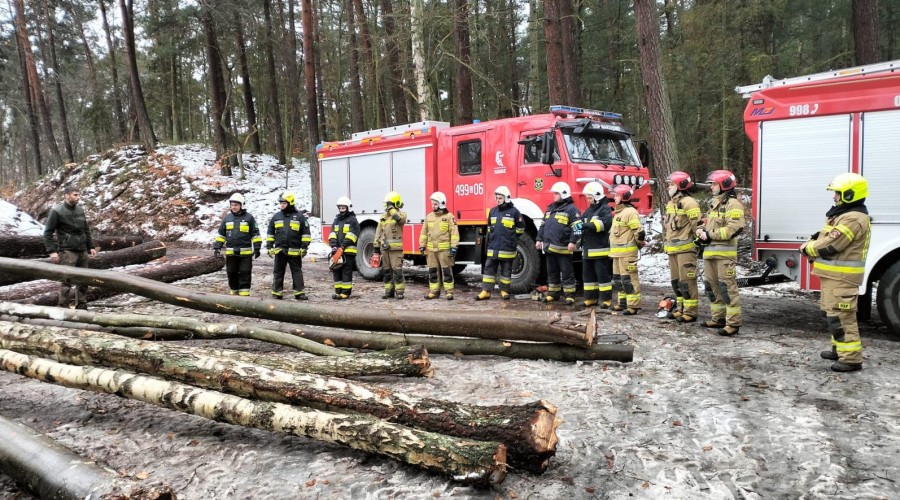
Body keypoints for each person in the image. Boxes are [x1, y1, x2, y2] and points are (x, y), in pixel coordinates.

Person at [800, 173, 871, 372]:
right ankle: (840, 349)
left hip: (842, 279)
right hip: (834, 278)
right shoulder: (843, 216)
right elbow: (825, 236)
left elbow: (831, 244)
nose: (834, 198)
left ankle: (851, 358)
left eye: (837, 194)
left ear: (849, 194)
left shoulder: (853, 218)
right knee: (834, 315)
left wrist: (807, 247)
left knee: (842, 317)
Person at [695, 170, 746, 336]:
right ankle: (718, 319)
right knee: (711, 287)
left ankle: (733, 323)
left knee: (727, 289)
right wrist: (701, 229)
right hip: (710, 253)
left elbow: (734, 228)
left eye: (714, 184)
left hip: (724, 255)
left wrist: (709, 234)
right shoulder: (714, 203)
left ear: (724, 185)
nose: (711, 187)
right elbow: (708, 224)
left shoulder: (733, 204)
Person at [43, 185, 97, 309]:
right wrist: (52, 251)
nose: (78, 197)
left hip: (82, 250)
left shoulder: (80, 210)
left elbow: (86, 229)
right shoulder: (56, 211)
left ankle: (81, 306)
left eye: (78, 194)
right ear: (67, 195)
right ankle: (63, 306)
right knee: (66, 280)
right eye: (75, 195)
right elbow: (47, 233)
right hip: (67, 251)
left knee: (84, 280)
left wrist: (91, 246)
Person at [663, 171, 702, 322]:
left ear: (680, 185)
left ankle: (691, 312)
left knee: (687, 282)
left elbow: (696, 226)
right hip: (673, 250)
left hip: (686, 250)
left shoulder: (689, 203)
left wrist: (700, 243)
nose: (668, 187)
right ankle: (680, 309)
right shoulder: (671, 203)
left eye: (671, 184)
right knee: (676, 282)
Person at [535, 181, 581, 305]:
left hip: (564, 249)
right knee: (552, 273)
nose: (553, 195)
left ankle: (569, 295)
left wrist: (573, 242)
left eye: (556, 193)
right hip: (550, 249)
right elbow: (543, 226)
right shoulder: (550, 208)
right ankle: (553, 294)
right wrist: (539, 239)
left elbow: (578, 228)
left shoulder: (572, 210)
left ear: (564, 194)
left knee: (567, 273)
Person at [477, 186, 525, 301]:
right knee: (488, 270)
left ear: (506, 198)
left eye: (500, 198)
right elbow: (489, 227)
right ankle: (486, 291)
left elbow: (521, 228)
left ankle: (504, 291)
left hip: (507, 248)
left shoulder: (514, 212)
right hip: (493, 247)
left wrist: (512, 237)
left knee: (506, 271)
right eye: (497, 198)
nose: (498, 200)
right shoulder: (493, 211)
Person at [213, 193, 262, 296]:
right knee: (231, 272)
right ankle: (234, 290)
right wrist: (217, 247)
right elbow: (221, 235)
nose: (234, 207)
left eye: (236, 205)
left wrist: (257, 248)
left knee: (245, 272)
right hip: (231, 253)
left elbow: (255, 234)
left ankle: (244, 293)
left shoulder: (249, 218)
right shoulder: (227, 218)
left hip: (245, 253)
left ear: (241, 205)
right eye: (232, 205)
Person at [265, 191, 311, 300]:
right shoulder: (276, 216)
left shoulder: (300, 217)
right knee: (278, 272)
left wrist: (304, 247)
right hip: (280, 251)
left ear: (290, 203)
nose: (281, 205)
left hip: (294, 251)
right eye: (280, 203)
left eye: (284, 203)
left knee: (296, 272)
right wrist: (269, 246)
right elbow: (270, 232)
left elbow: (306, 233)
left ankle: (299, 293)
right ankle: (277, 292)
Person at [609, 184, 645, 314]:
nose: (614, 198)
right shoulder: (619, 212)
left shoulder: (630, 212)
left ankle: (633, 306)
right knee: (618, 280)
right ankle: (623, 303)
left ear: (624, 197)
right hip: (617, 254)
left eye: (616, 196)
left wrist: (639, 243)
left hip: (627, 254)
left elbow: (639, 231)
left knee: (629, 280)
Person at [419, 192, 460, 300]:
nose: (433, 206)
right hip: (432, 251)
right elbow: (424, 233)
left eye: (435, 204)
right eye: (432, 204)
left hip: (444, 251)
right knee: (433, 272)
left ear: (442, 204)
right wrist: (422, 245)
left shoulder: (449, 217)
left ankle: (449, 292)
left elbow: (454, 233)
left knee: (447, 272)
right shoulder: (429, 217)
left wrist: (454, 247)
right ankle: (434, 292)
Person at [580, 182, 613, 308]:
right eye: (587, 197)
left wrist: (586, 225)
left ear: (597, 196)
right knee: (588, 278)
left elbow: (604, 225)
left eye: (590, 197)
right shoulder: (589, 210)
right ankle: (591, 298)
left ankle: (606, 300)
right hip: (588, 250)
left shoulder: (604, 209)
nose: (588, 200)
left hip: (600, 250)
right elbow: (582, 223)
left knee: (603, 277)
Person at [374, 191, 407, 299]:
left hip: (396, 250)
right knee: (386, 271)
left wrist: (392, 209)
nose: (386, 208)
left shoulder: (401, 214)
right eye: (386, 205)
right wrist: (376, 248)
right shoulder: (383, 217)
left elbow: (399, 220)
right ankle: (388, 291)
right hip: (385, 249)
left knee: (397, 271)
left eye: (389, 205)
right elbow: (378, 233)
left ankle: (400, 291)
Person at [328, 196, 360, 300]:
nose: (341, 210)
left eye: (343, 208)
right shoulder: (336, 219)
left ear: (348, 208)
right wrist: (334, 246)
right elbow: (332, 233)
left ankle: (345, 293)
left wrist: (342, 246)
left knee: (346, 271)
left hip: (348, 251)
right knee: (336, 269)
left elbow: (352, 235)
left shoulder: (353, 220)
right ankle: (338, 292)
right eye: (340, 208)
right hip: (337, 250)